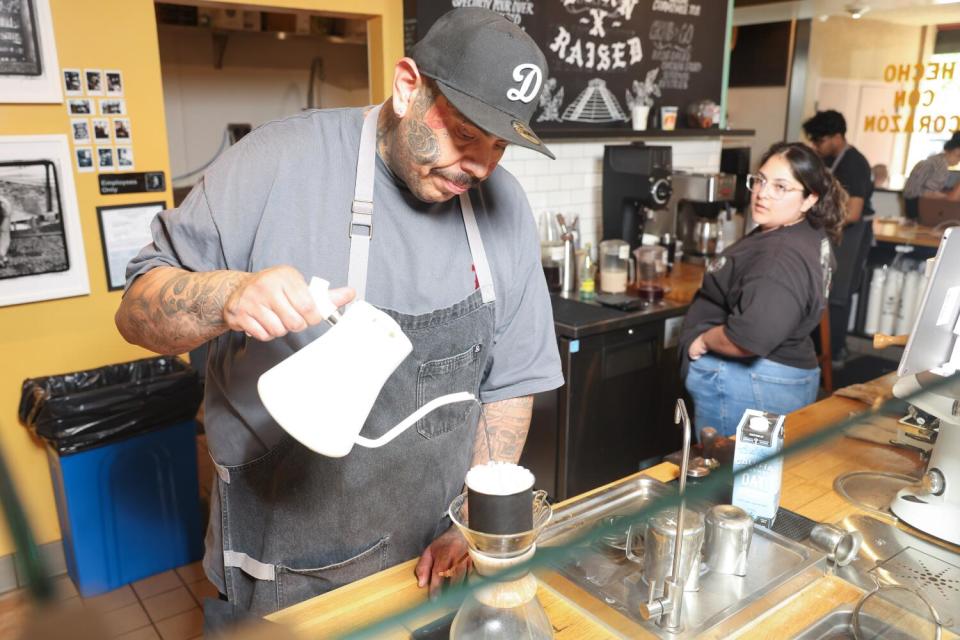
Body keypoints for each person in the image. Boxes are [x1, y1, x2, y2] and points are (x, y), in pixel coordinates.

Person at [115, 8, 563, 620]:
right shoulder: (276, 163)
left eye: (500, 145)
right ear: (409, 87)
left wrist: (473, 520)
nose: (481, 166)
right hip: (288, 575)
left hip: (430, 569)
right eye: (464, 135)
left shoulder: (502, 206)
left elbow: (510, 383)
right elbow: (136, 314)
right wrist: (226, 297)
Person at [680, 143, 843, 437]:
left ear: (809, 199)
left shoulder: (779, 259)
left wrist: (704, 340)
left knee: (729, 476)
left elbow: (749, 339)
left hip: (749, 385)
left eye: (781, 187)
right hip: (774, 379)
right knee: (758, 475)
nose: (763, 193)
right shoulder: (803, 231)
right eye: (760, 180)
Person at [803, 109, 874, 365]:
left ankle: (835, 355)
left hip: (851, 235)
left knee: (837, 295)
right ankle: (819, 352)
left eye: (819, 141)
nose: (816, 146)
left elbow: (853, 212)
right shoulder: (828, 162)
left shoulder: (854, 163)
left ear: (836, 137)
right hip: (832, 233)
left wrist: (813, 219)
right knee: (821, 290)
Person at [902, 131, 960, 219]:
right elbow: (923, 193)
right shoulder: (937, 166)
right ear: (956, 151)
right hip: (919, 208)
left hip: (917, 205)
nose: (958, 161)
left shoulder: (937, 162)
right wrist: (945, 196)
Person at [0, 193, 12, 268]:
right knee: (4, 236)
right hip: (4, 215)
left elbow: (6, 213)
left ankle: (2, 257)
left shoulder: (4, 202)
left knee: (4, 235)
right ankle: (2, 258)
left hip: (4, 216)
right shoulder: (4, 202)